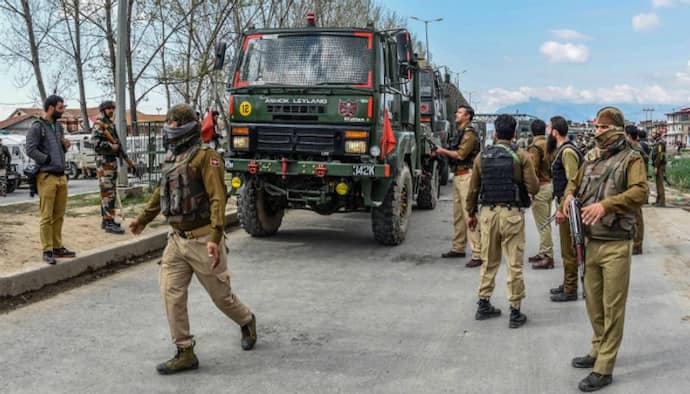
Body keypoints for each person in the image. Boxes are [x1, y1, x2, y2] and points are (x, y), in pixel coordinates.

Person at [129, 104, 257, 375]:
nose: (168, 130)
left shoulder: (206, 157)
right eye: (168, 124)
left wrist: (215, 235)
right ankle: (185, 350)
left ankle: (246, 320)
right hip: (176, 240)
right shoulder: (172, 158)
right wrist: (142, 219)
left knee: (222, 297)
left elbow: (218, 198)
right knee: (171, 294)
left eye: (173, 125)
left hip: (202, 241)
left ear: (187, 128)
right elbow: (159, 193)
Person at [562, 107, 648, 392]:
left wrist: (605, 205)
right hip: (590, 241)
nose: (596, 132)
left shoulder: (631, 159)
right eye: (595, 127)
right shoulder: (590, 158)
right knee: (593, 302)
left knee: (613, 307)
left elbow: (640, 192)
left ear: (615, 130)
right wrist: (568, 198)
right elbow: (573, 184)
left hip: (615, 243)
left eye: (601, 128)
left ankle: (605, 367)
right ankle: (598, 348)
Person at [466, 114, 539, 328]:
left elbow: (473, 189)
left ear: (495, 133)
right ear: (514, 134)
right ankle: (515, 312)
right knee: (514, 264)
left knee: (489, 261)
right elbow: (533, 187)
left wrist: (471, 214)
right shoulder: (522, 156)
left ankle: (483, 303)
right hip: (512, 214)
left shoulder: (482, 157)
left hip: (488, 214)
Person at [25, 95, 77, 264]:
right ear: (51, 108)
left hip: (61, 176)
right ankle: (47, 250)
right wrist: (46, 159)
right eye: (60, 108)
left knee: (59, 215)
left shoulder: (59, 127)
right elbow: (30, 149)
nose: (63, 111)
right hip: (46, 176)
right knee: (46, 216)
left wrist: (64, 147)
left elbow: (59, 150)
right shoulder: (37, 127)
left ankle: (57, 246)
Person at [434, 105, 482, 267]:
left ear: (468, 117)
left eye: (460, 112)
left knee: (469, 214)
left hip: (467, 177)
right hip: (459, 176)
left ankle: (478, 253)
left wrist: (442, 151)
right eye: (457, 111)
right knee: (458, 216)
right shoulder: (460, 132)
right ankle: (459, 247)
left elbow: (461, 155)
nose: (456, 114)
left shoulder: (469, 134)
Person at [548, 116, 583, 302]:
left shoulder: (567, 152)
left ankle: (570, 289)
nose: (547, 131)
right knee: (566, 247)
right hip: (564, 202)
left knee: (568, 249)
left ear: (555, 131)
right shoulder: (563, 150)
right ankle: (567, 283)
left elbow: (573, 182)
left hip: (567, 205)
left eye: (549, 127)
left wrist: (563, 208)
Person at [92, 100, 126, 234]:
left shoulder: (109, 124)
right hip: (104, 163)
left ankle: (107, 219)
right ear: (103, 110)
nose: (111, 110)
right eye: (108, 108)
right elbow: (94, 143)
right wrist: (112, 147)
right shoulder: (99, 123)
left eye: (112, 108)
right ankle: (108, 222)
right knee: (107, 193)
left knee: (110, 192)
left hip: (110, 162)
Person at [526, 119, 554, 269]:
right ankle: (543, 252)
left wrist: (531, 190)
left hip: (541, 188)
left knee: (543, 224)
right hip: (549, 185)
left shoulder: (535, 147)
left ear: (532, 131)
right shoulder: (550, 144)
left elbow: (533, 170)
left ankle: (547, 256)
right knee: (546, 222)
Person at [625, 125, 648, 255]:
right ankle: (635, 242)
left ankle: (638, 245)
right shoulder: (634, 148)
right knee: (634, 214)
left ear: (628, 136)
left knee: (637, 216)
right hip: (633, 183)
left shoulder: (637, 150)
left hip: (637, 184)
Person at [651, 131, 666, 207]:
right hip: (657, 165)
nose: (652, 135)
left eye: (653, 133)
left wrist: (656, 167)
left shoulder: (660, 143)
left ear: (657, 134)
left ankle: (662, 201)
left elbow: (659, 156)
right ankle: (658, 200)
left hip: (660, 165)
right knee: (657, 183)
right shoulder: (657, 142)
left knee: (660, 183)